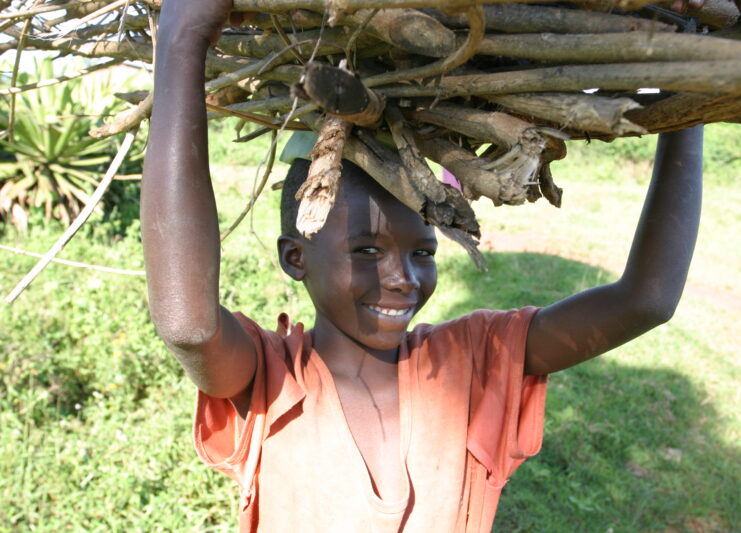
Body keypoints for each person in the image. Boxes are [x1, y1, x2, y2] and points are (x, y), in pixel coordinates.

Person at [141, 1, 704, 531]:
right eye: (366, 250)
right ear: (296, 257)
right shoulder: (269, 380)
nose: (403, 279)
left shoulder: (474, 362)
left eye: (424, 252)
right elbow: (189, 326)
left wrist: (690, 100)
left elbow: (645, 300)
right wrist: (182, 43)